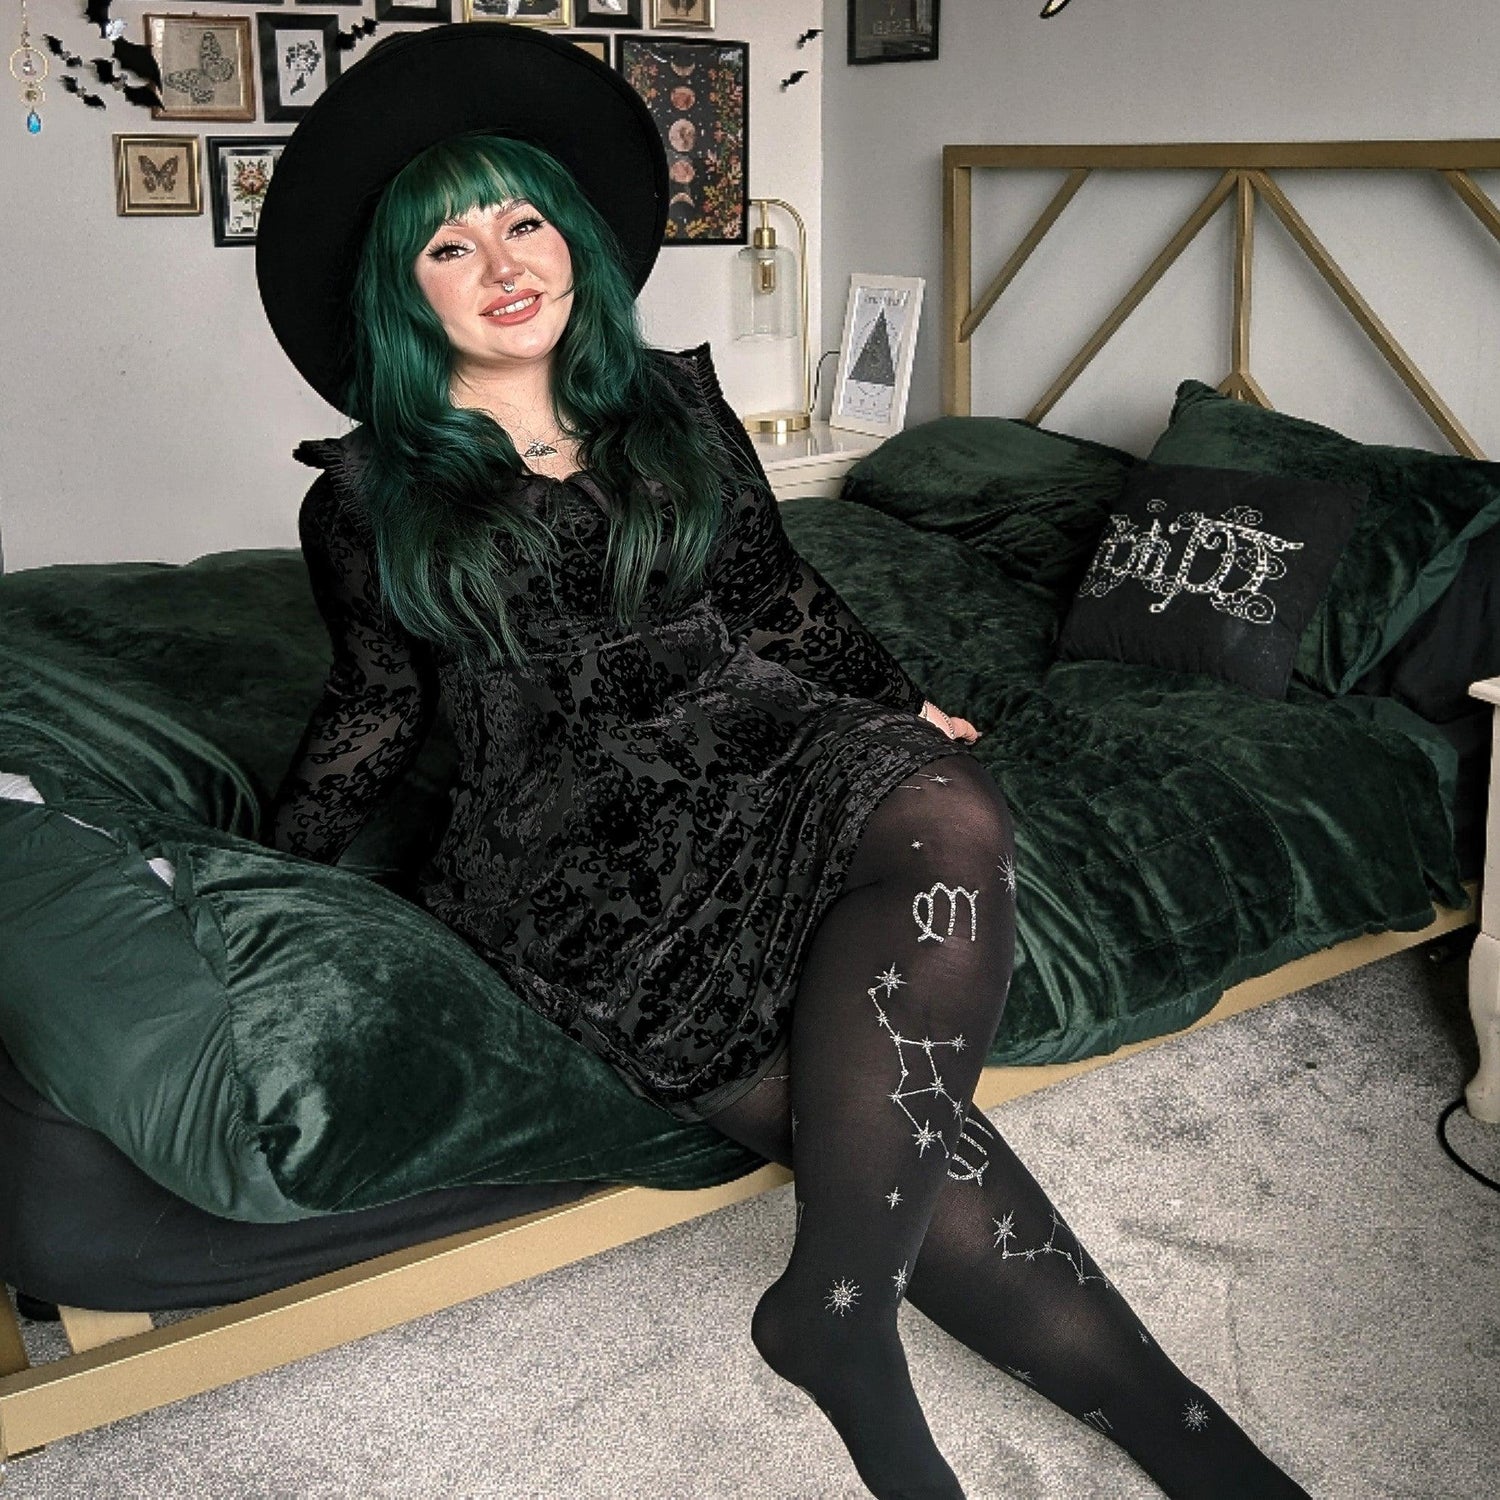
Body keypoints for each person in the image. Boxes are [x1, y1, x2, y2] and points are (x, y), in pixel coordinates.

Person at [255, 23, 1313, 1500]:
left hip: (757, 738)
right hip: (572, 838)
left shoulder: (676, 408)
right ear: (403, 290)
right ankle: (1195, 1453)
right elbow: (373, 707)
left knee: (947, 801)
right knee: (898, 1131)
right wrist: (270, 872)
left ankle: (838, 1312)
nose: (502, 264)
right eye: (449, 247)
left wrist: (899, 701)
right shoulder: (372, 494)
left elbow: (774, 600)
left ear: (573, 241)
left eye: (523, 222)